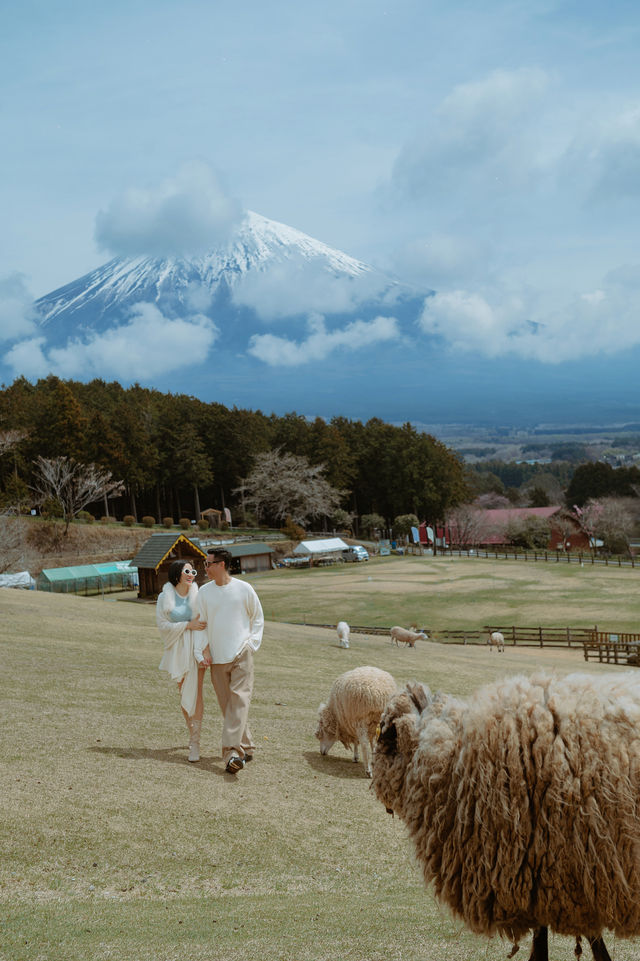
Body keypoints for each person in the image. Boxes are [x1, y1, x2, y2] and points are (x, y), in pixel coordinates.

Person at [194, 548, 264, 773]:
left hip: (241, 654)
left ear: (222, 564)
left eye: (208, 564)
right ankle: (248, 746)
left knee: (239, 701)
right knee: (229, 707)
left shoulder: (244, 589)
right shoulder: (204, 593)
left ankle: (232, 753)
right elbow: (201, 624)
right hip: (216, 658)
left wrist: (251, 644)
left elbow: (258, 618)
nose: (205, 568)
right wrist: (203, 650)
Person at [156, 559, 208, 762]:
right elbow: (162, 625)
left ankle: (195, 742)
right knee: (184, 692)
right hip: (177, 649)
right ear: (177, 573)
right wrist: (187, 625)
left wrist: (204, 648)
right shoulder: (164, 597)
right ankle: (191, 732)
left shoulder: (199, 596)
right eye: (187, 570)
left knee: (197, 693)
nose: (191, 574)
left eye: (193, 571)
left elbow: (205, 623)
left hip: (196, 648)